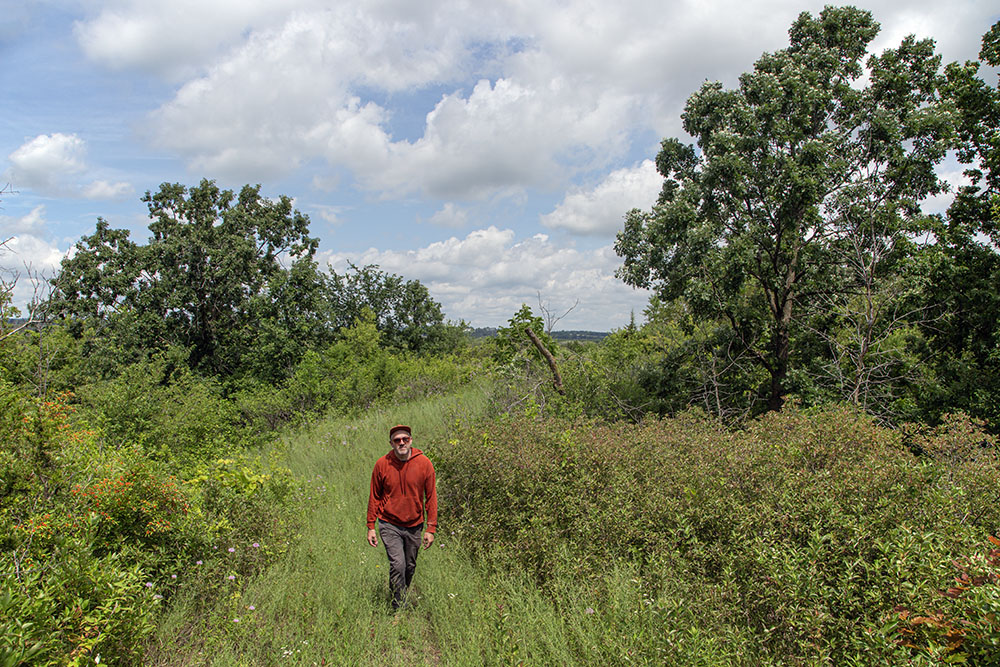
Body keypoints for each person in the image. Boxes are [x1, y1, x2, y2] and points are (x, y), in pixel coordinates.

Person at [366, 424, 438, 610]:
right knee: (397, 565)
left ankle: (399, 592)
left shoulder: (424, 463)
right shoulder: (382, 464)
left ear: (411, 440)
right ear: (391, 443)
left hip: (415, 524)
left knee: (409, 567)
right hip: (389, 523)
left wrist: (431, 528)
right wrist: (370, 526)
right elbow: (374, 496)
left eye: (405, 439)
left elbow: (431, 497)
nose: (401, 443)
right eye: (397, 440)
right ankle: (398, 607)